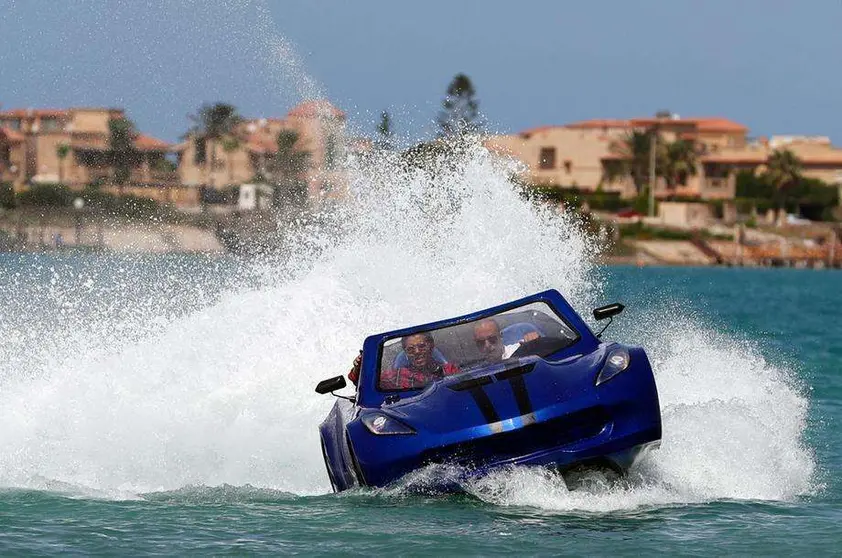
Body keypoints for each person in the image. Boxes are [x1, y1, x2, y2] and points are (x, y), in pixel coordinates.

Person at [347, 332, 460, 389]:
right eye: (410, 349)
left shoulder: (450, 369)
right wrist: (359, 366)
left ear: (431, 346)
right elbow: (361, 381)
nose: (417, 351)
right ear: (405, 353)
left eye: (422, 346)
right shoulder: (397, 376)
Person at [473, 318, 540, 363]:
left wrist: (536, 342)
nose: (487, 345)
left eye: (492, 339)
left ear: (501, 336)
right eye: (481, 342)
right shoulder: (478, 369)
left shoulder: (521, 348)